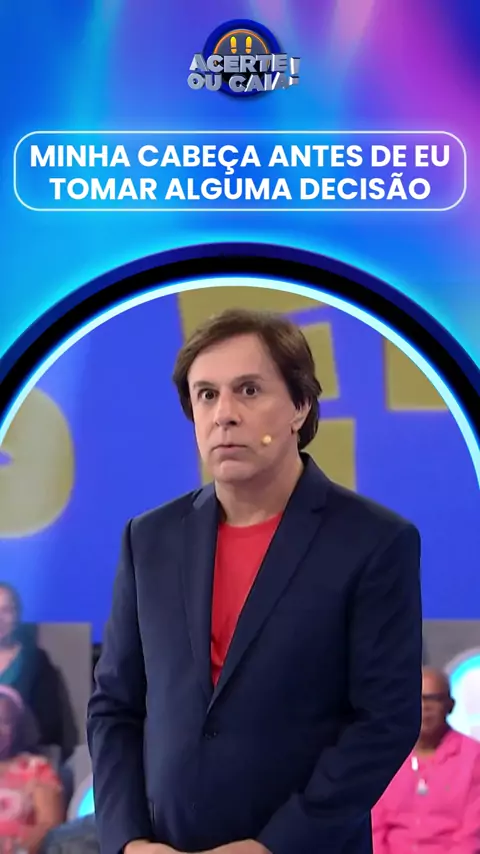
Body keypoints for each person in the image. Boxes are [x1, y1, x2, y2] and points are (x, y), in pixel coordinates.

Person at [87, 308, 423, 854]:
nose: (224, 415)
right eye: (206, 395)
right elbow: (115, 707)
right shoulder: (148, 538)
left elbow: (383, 722)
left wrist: (274, 846)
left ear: (300, 406)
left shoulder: (374, 541)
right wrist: (128, 841)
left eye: (248, 390)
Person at [372, 666, 480, 853]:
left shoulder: (474, 757)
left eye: (433, 699)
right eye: (417, 699)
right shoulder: (385, 757)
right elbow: (374, 828)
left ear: (450, 705)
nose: (424, 707)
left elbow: (471, 836)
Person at [0, 582, 77, 762]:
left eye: (6, 610)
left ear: (17, 616)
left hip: (23, 760)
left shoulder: (36, 662)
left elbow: (50, 725)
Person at [0, 685, 65, 851]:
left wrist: (17, 849)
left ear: (16, 729)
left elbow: (50, 827)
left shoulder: (34, 769)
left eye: (4, 722)